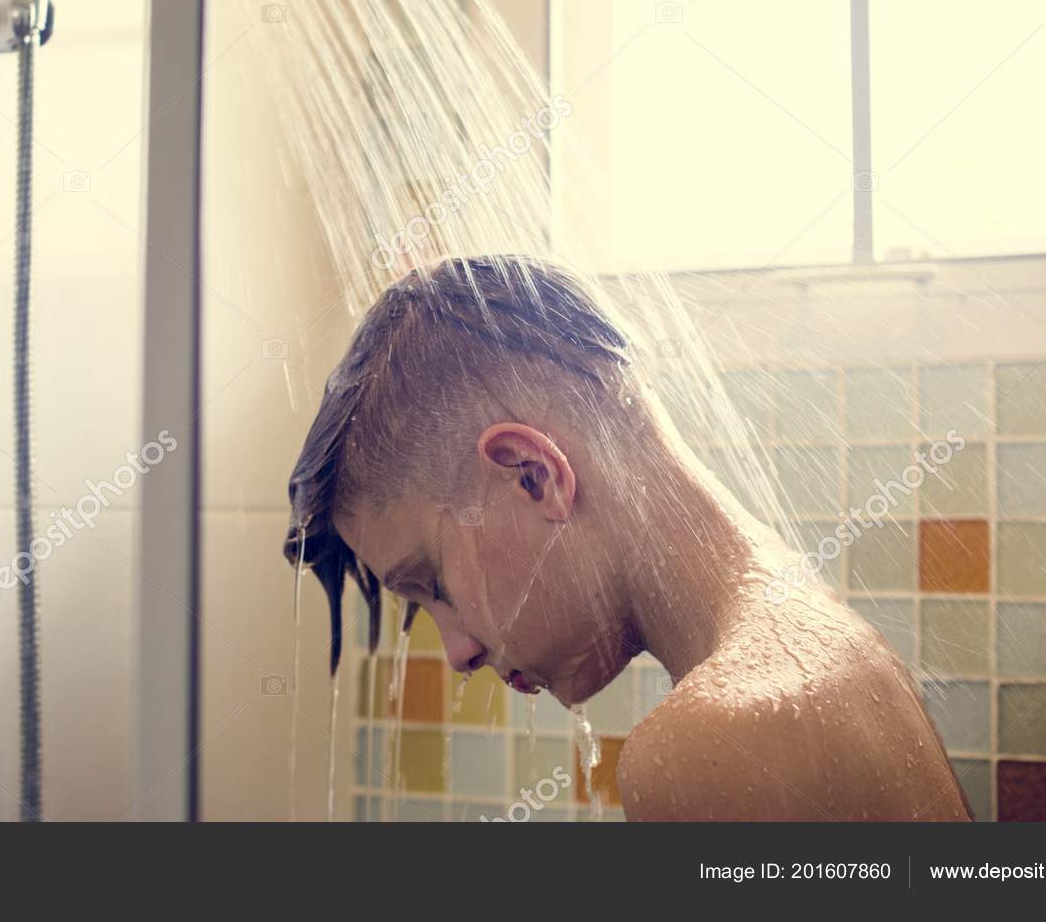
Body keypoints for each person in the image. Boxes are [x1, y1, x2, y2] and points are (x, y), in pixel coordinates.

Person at [285, 255, 969, 821]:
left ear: (534, 476)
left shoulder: (714, 742)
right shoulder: (813, 632)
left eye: (432, 585)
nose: (458, 651)